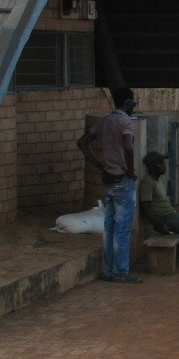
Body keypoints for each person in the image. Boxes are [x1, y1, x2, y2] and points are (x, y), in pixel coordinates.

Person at [77, 86, 139, 284]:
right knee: (122, 228)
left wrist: (99, 164)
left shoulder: (104, 121)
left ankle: (108, 270)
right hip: (122, 179)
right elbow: (128, 147)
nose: (134, 108)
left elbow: (82, 142)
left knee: (109, 227)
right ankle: (121, 272)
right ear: (128, 103)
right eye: (133, 104)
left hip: (108, 179)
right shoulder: (125, 122)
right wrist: (130, 171)